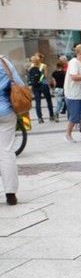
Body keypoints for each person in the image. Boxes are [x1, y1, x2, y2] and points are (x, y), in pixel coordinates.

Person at [0, 54, 21, 205]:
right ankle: (10, 194)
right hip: (6, 111)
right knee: (6, 151)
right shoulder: (3, 61)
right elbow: (19, 83)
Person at [28, 54, 55, 124]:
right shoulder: (43, 66)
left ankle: (40, 118)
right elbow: (45, 75)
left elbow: (29, 78)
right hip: (44, 84)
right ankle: (51, 115)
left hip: (35, 86)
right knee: (48, 100)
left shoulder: (30, 67)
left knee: (37, 102)